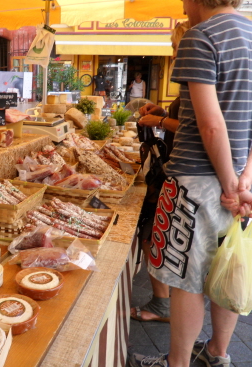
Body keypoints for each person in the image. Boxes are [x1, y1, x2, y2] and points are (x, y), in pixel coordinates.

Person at [129, 1, 252, 367]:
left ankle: (177, 363)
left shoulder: (201, 37)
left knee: (186, 280)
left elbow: (209, 124)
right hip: (240, 184)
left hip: (196, 183)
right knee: (226, 267)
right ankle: (217, 353)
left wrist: (231, 185)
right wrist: (244, 180)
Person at [130, 21, 190, 324]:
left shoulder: (199, 75)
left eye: (176, 47)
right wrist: (162, 112)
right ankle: (163, 302)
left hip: (185, 177)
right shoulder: (191, 80)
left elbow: (198, 130)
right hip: (179, 173)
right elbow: (185, 118)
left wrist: (159, 123)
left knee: (154, 234)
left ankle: (164, 305)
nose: (174, 53)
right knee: (154, 233)